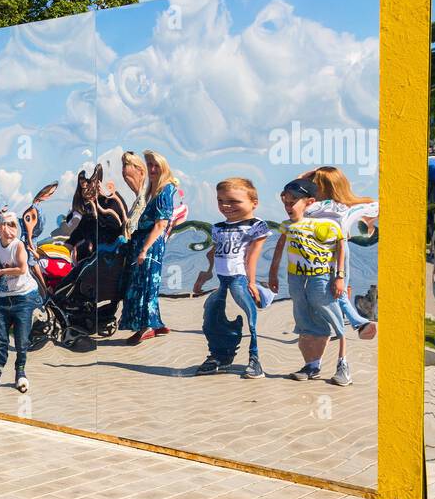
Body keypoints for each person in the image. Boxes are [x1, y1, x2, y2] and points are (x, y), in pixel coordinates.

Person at [280, 165, 379, 387]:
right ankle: (356, 326)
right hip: (339, 255)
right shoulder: (349, 207)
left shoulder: (311, 207)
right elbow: (375, 210)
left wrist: (309, 173)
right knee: (337, 296)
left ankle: (347, 338)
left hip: (319, 258)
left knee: (328, 301)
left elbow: (295, 186)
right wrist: (368, 226)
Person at [269, 177, 346, 383]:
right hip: (296, 279)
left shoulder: (326, 225)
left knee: (333, 315)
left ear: (309, 202)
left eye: (292, 201)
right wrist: (272, 273)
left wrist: (339, 277)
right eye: (285, 202)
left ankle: (343, 365)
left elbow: (340, 247)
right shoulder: (286, 225)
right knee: (304, 320)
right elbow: (278, 249)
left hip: (320, 277)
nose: (288, 206)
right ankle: (312, 365)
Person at [191, 178, 270, 378]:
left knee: (250, 318)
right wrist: (205, 274)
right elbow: (213, 252)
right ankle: (220, 355)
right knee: (212, 317)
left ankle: (254, 359)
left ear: (254, 202)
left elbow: (252, 255)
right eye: (221, 200)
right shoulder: (218, 227)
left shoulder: (256, 226)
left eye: (234, 201)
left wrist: (251, 282)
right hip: (222, 281)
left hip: (240, 279)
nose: (226, 206)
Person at [119, 149, 179, 344]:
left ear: (163, 167)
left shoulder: (165, 189)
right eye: (149, 165)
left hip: (150, 244)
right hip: (142, 241)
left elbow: (161, 224)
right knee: (142, 283)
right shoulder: (153, 191)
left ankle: (147, 326)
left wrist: (144, 249)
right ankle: (155, 322)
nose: (152, 169)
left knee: (146, 284)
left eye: (156, 165)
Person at [0, 212, 39, 394]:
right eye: (6, 224)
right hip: (4, 297)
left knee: (22, 340)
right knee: (1, 338)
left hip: (24, 296)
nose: (10, 229)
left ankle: (20, 371)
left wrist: (1, 273)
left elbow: (22, 269)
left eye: (13, 225)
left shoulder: (18, 245)